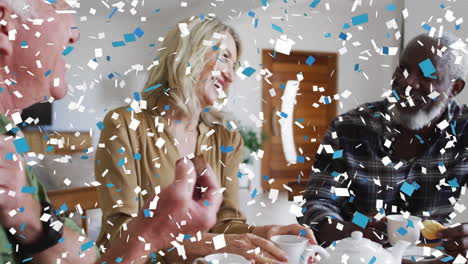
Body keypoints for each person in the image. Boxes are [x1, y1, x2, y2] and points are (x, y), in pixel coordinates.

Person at [0, 0, 222, 263]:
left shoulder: (9, 140)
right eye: (57, 3)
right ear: (4, 24)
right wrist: (152, 234)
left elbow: (90, 258)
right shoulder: (124, 122)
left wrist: (36, 223)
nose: (74, 36)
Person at [95, 16, 316, 264]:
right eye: (224, 57)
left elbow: (226, 224)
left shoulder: (227, 138)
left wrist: (265, 234)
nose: (230, 76)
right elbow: (121, 232)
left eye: (234, 65)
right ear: (188, 52)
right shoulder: (123, 125)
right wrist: (220, 243)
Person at [300, 33, 468, 257]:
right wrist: (352, 230)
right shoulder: (349, 128)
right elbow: (317, 202)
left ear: (454, 88)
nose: (407, 82)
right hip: (355, 255)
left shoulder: (464, 130)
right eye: (403, 69)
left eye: (427, 75)